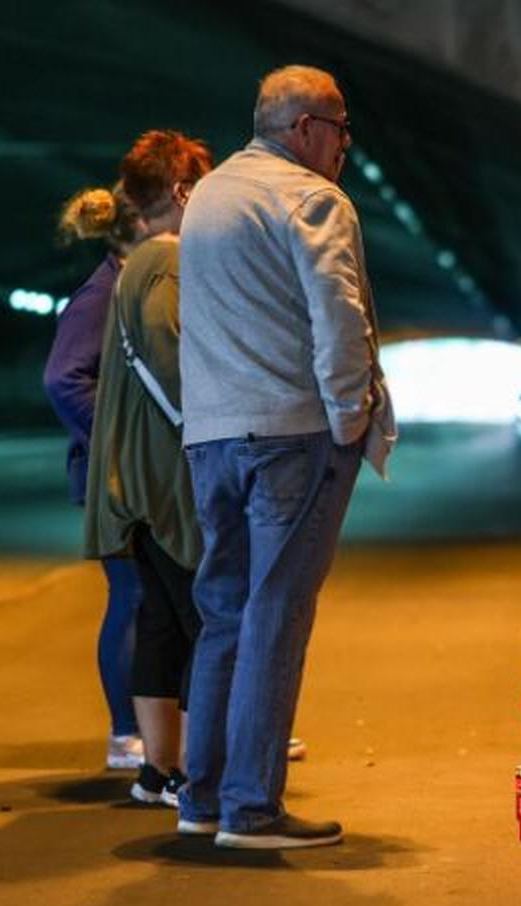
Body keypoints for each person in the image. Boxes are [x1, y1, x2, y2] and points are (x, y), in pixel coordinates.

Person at [176, 65, 397, 849]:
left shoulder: (206, 198)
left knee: (225, 615)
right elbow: (337, 314)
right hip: (291, 435)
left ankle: (201, 797)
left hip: (211, 437)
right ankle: (253, 809)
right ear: (306, 129)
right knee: (276, 615)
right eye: (341, 131)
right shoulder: (311, 198)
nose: (345, 148)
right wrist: (349, 416)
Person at [83, 130, 213, 807]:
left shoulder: (134, 263)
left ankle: (159, 769)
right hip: (166, 482)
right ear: (185, 192)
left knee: (162, 622)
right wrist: (211, 432)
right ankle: (199, 771)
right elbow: (171, 365)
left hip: (132, 481)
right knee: (205, 622)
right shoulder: (166, 263)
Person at [44, 181, 148, 771]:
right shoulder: (102, 294)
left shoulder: (135, 284)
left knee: (157, 599)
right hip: (113, 475)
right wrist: (119, 442)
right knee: (132, 598)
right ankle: (126, 733)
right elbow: (63, 380)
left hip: (128, 471)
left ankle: (166, 727)